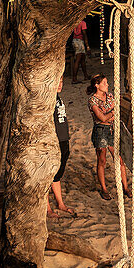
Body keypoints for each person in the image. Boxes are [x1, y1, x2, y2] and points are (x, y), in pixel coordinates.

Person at [87, 74, 129, 202]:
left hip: (111, 129)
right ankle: (104, 189)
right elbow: (102, 118)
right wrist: (112, 113)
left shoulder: (109, 96)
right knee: (102, 160)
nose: (107, 85)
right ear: (97, 85)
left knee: (120, 159)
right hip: (101, 131)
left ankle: (125, 187)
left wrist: (110, 115)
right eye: (104, 83)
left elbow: (116, 112)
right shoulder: (92, 100)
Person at [47, 77, 75, 217]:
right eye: (57, 81)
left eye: (62, 82)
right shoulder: (48, 99)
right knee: (48, 175)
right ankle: (47, 209)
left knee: (57, 175)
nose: (59, 85)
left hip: (64, 139)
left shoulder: (58, 98)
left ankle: (60, 203)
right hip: (54, 140)